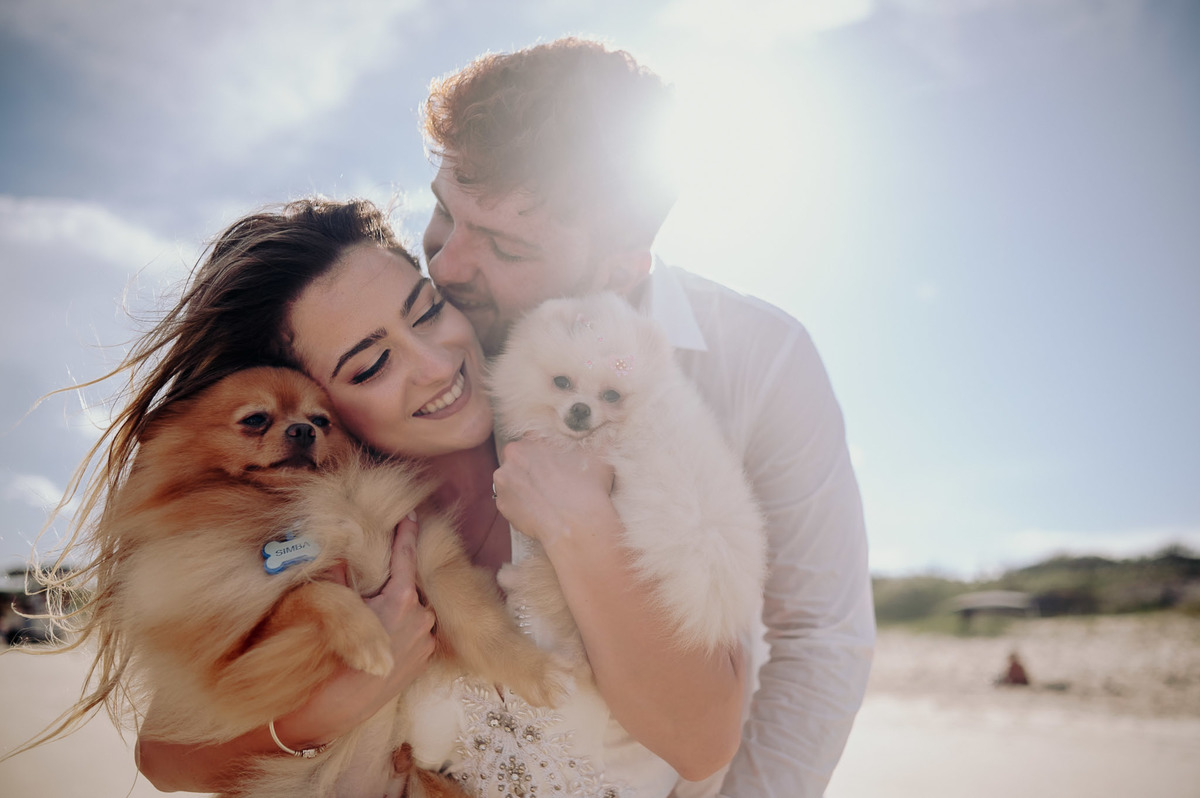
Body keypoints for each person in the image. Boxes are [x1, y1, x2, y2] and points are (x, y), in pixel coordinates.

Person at [38, 197, 743, 796]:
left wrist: (582, 528)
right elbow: (164, 753)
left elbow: (703, 738)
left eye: (428, 312)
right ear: (319, 405)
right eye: (372, 363)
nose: (435, 365)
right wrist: (337, 705)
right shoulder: (317, 535)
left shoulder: (591, 428)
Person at [419, 37, 875, 798]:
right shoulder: (406, 323)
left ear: (623, 264)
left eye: (503, 245)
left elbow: (821, 637)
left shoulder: (760, 358)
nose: (446, 265)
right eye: (444, 212)